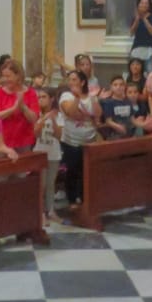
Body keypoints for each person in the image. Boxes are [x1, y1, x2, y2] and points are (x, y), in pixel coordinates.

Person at [57, 72, 99, 210]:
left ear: (82, 82)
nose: (71, 82)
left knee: (86, 170)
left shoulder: (91, 96)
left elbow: (98, 114)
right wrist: (76, 98)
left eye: (74, 79)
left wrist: (93, 98)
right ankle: (72, 199)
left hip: (90, 140)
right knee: (73, 170)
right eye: (69, 79)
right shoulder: (66, 96)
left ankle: (85, 198)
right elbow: (72, 113)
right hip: (72, 141)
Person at [0, 60, 39, 152]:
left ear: (18, 76)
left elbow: (34, 119)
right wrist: (13, 109)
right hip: (3, 142)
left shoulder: (31, 93)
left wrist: (23, 106)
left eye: (8, 76)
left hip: (25, 142)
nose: (5, 79)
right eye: (3, 76)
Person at [33, 89, 63, 222]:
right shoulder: (36, 114)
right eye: (39, 97)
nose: (40, 100)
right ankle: (40, 213)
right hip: (40, 153)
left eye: (44, 97)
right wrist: (43, 119)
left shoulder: (58, 115)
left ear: (51, 99)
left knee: (51, 184)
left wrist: (53, 120)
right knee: (41, 184)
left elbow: (59, 135)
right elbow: (36, 134)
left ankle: (51, 211)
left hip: (54, 153)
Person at [128, 0, 152, 68]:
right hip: (137, 48)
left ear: (149, 5)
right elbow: (131, 33)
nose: (144, 5)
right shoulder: (135, 17)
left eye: (146, 3)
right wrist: (137, 19)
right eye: (142, 3)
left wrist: (144, 19)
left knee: (150, 70)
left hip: (150, 49)